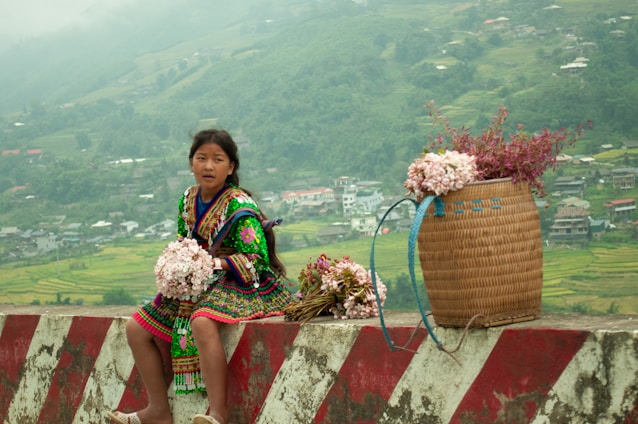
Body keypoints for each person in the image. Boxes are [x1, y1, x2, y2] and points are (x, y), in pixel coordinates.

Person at [108, 129, 292, 424]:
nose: (208, 166)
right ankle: (158, 409)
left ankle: (218, 412)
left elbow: (256, 259)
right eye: (201, 158)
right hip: (199, 280)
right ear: (191, 162)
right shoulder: (187, 199)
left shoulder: (239, 205)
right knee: (136, 328)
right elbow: (185, 241)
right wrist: (180, 267)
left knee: (202, 321)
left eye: (218, 159)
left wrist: (213, 265)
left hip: (241, 281)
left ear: (230, 167)